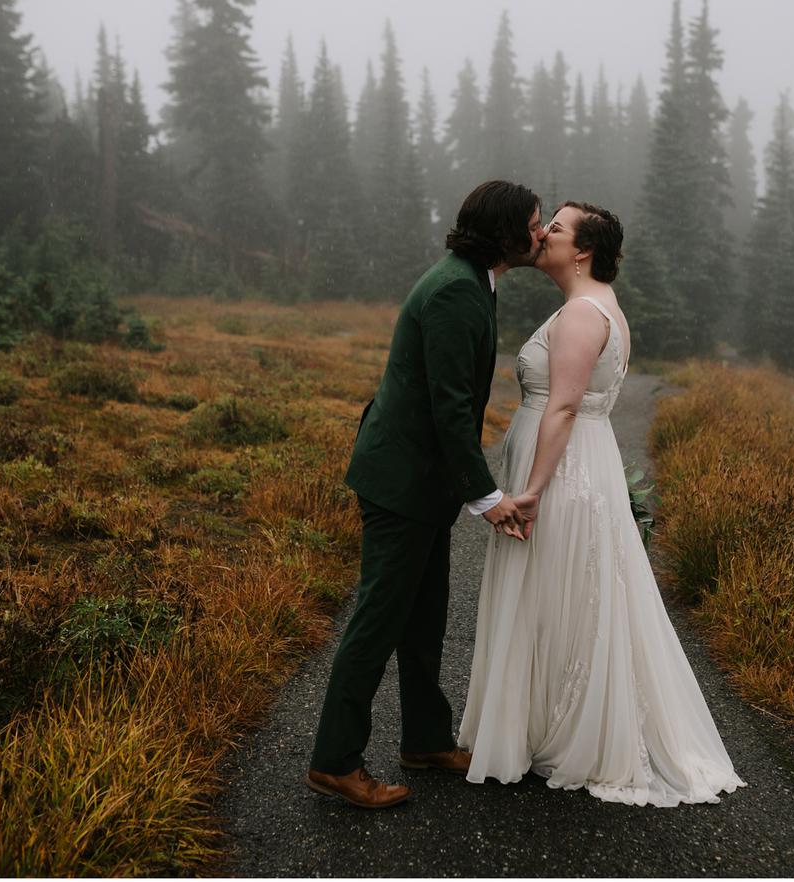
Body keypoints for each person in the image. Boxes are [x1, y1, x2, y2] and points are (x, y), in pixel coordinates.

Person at [458, 201, 747, 806]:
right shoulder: (591, 307)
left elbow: (562, 407)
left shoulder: (585, 313)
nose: (542, 237)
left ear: (583, 251)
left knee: (556, 590)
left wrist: (532, 490)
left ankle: (565, 729)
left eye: (555, 230)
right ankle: (544, 720)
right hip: (578, 461)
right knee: (564, 591)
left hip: (562, 471)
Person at [306, 180, 545, 809]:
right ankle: (333, 761)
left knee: (424, 616)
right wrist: (487, 497)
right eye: (534, 222)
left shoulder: (471, 281)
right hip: (401, 481)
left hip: (420, 481)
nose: (542, 232)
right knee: (379, 620)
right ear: (505, 233)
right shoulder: (457, 292)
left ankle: (425, 739)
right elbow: (450, 408)